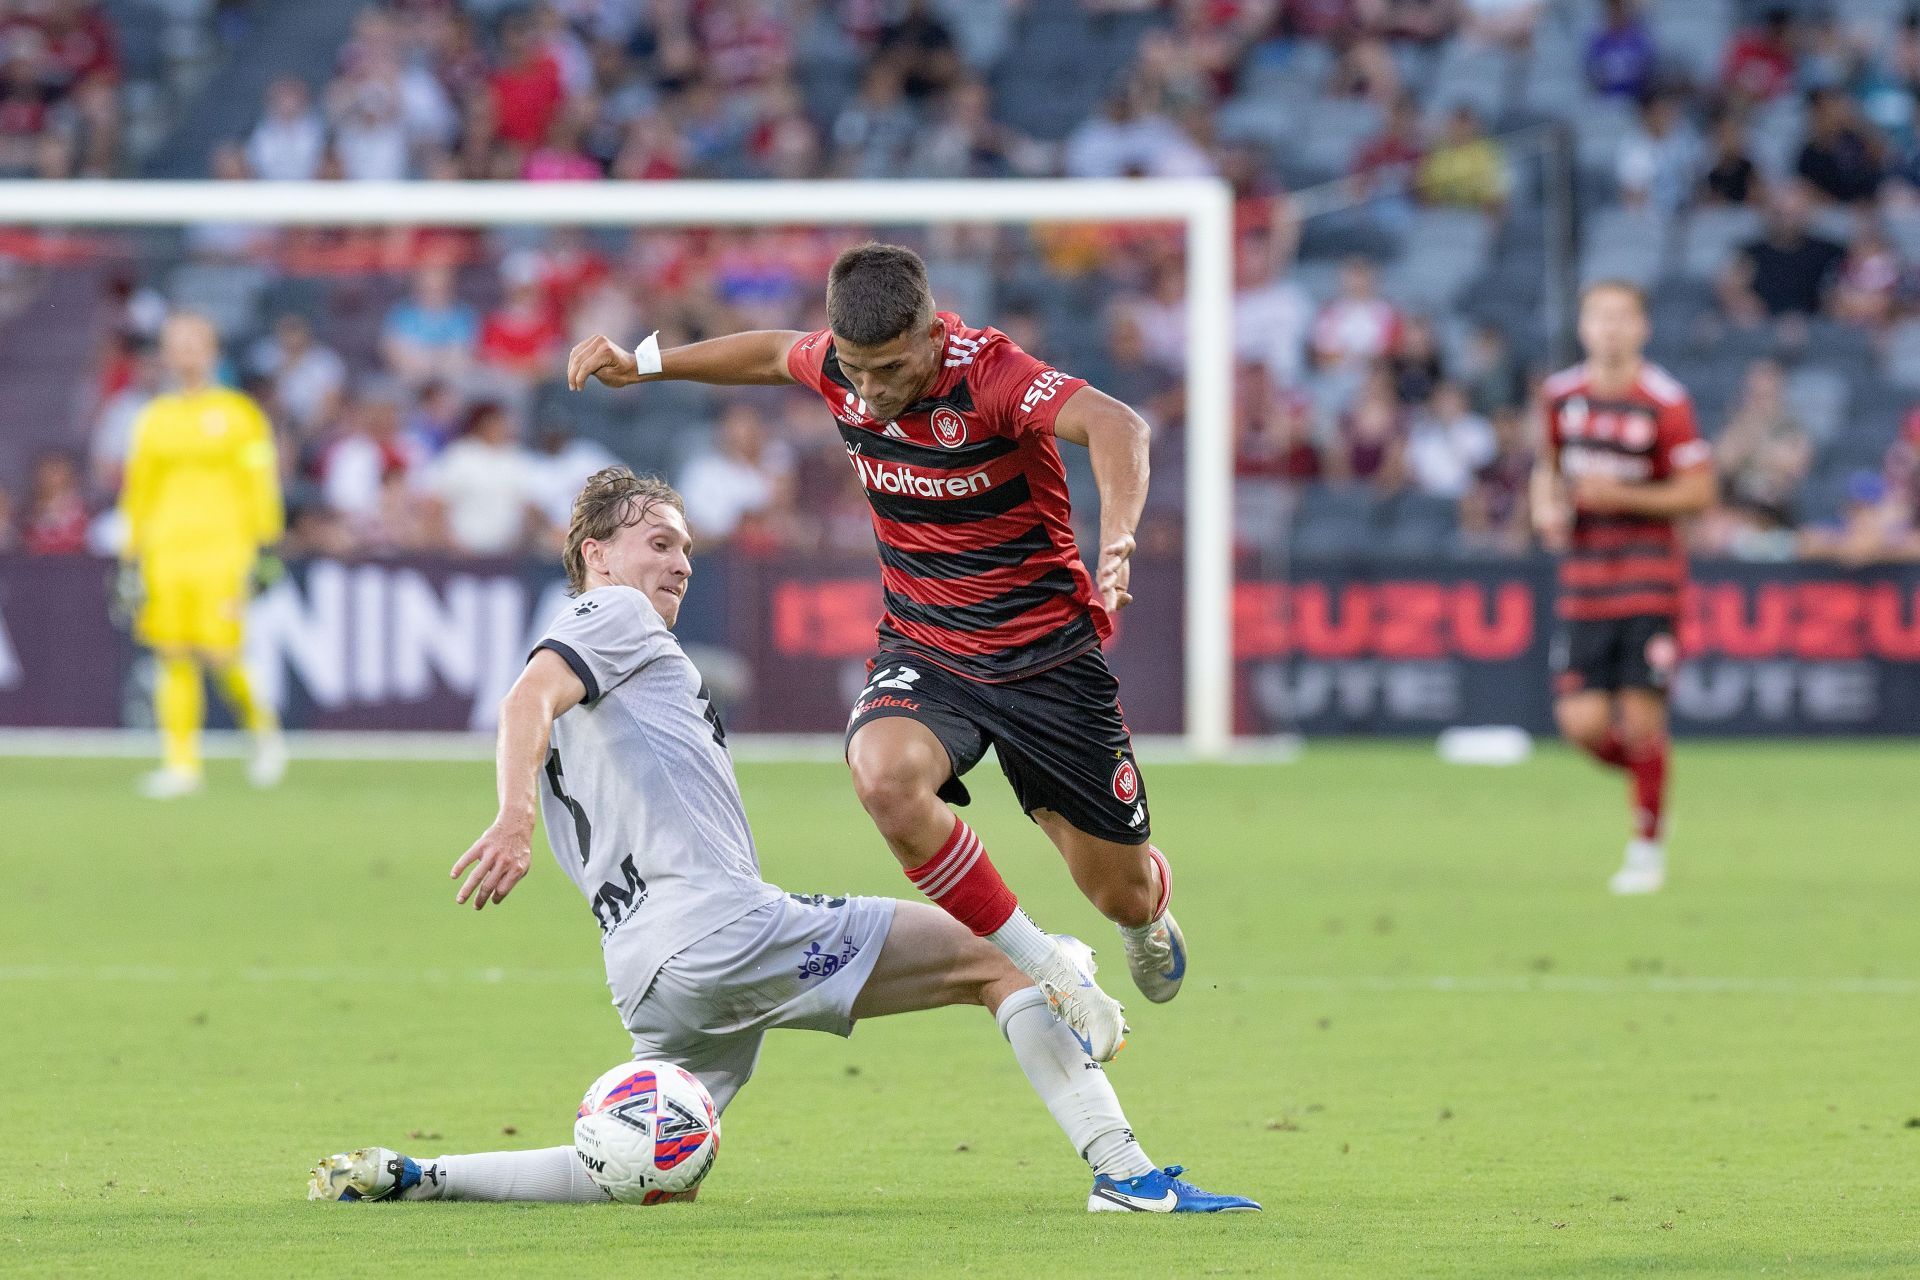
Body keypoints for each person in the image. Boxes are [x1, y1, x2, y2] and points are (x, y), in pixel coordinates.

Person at [307, 468, 1256, 1215]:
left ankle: (422, 1175)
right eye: (657, 543)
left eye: (686, 546)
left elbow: (543, 710)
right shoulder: (614, 615)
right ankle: (1125, 1174)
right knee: (1004, 960)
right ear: (597, 555)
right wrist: (513, 815)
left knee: (639, 1163)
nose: (680, 563)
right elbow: (525, 699)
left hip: (646, 968)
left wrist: (425, 1174)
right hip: (716, 927)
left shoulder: (625, 649)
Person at [565, 244, 1183, 1063]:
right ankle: (1045, 966)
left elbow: (1116, 424)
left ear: (932, 335)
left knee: (1120, 890)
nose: (870, 390)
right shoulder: (841, 368)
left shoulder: (991, 374)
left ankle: (1147, 916)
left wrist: (1123, 536)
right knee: (882, 774)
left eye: (889, 369)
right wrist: (641, 364)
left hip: (1046, 661)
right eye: (855, 370)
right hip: (927, 646)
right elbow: (767, 351)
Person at [1531, 283, 1715, 895]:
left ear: (1642, 328)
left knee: (1640, 719)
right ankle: (1653, 785)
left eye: (1621, 318)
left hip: (1649, 583)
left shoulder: (1665, 402)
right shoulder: (1561, 398)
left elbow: (1698, 492)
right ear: (1583, 328)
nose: (1609, 329)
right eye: (1598, 318)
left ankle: (1645, 844)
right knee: (1581, 725)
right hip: (1585, 585)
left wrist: (1623, 497)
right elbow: (1547, 471)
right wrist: (1547, 511)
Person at [117, 311, 287, 799]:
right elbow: (139, 490)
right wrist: (131, 552)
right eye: (177, 343)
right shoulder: (153, 418)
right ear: (166, 353)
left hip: (223, 549)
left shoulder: (239, 415)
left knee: (220, 652)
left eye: (195, 341)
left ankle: (264, 734)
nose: (187, 351)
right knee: (171, 653)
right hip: (165, 550)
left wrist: (266, 543)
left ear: (212, 350)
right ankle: (181, 764)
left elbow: (259, 482)